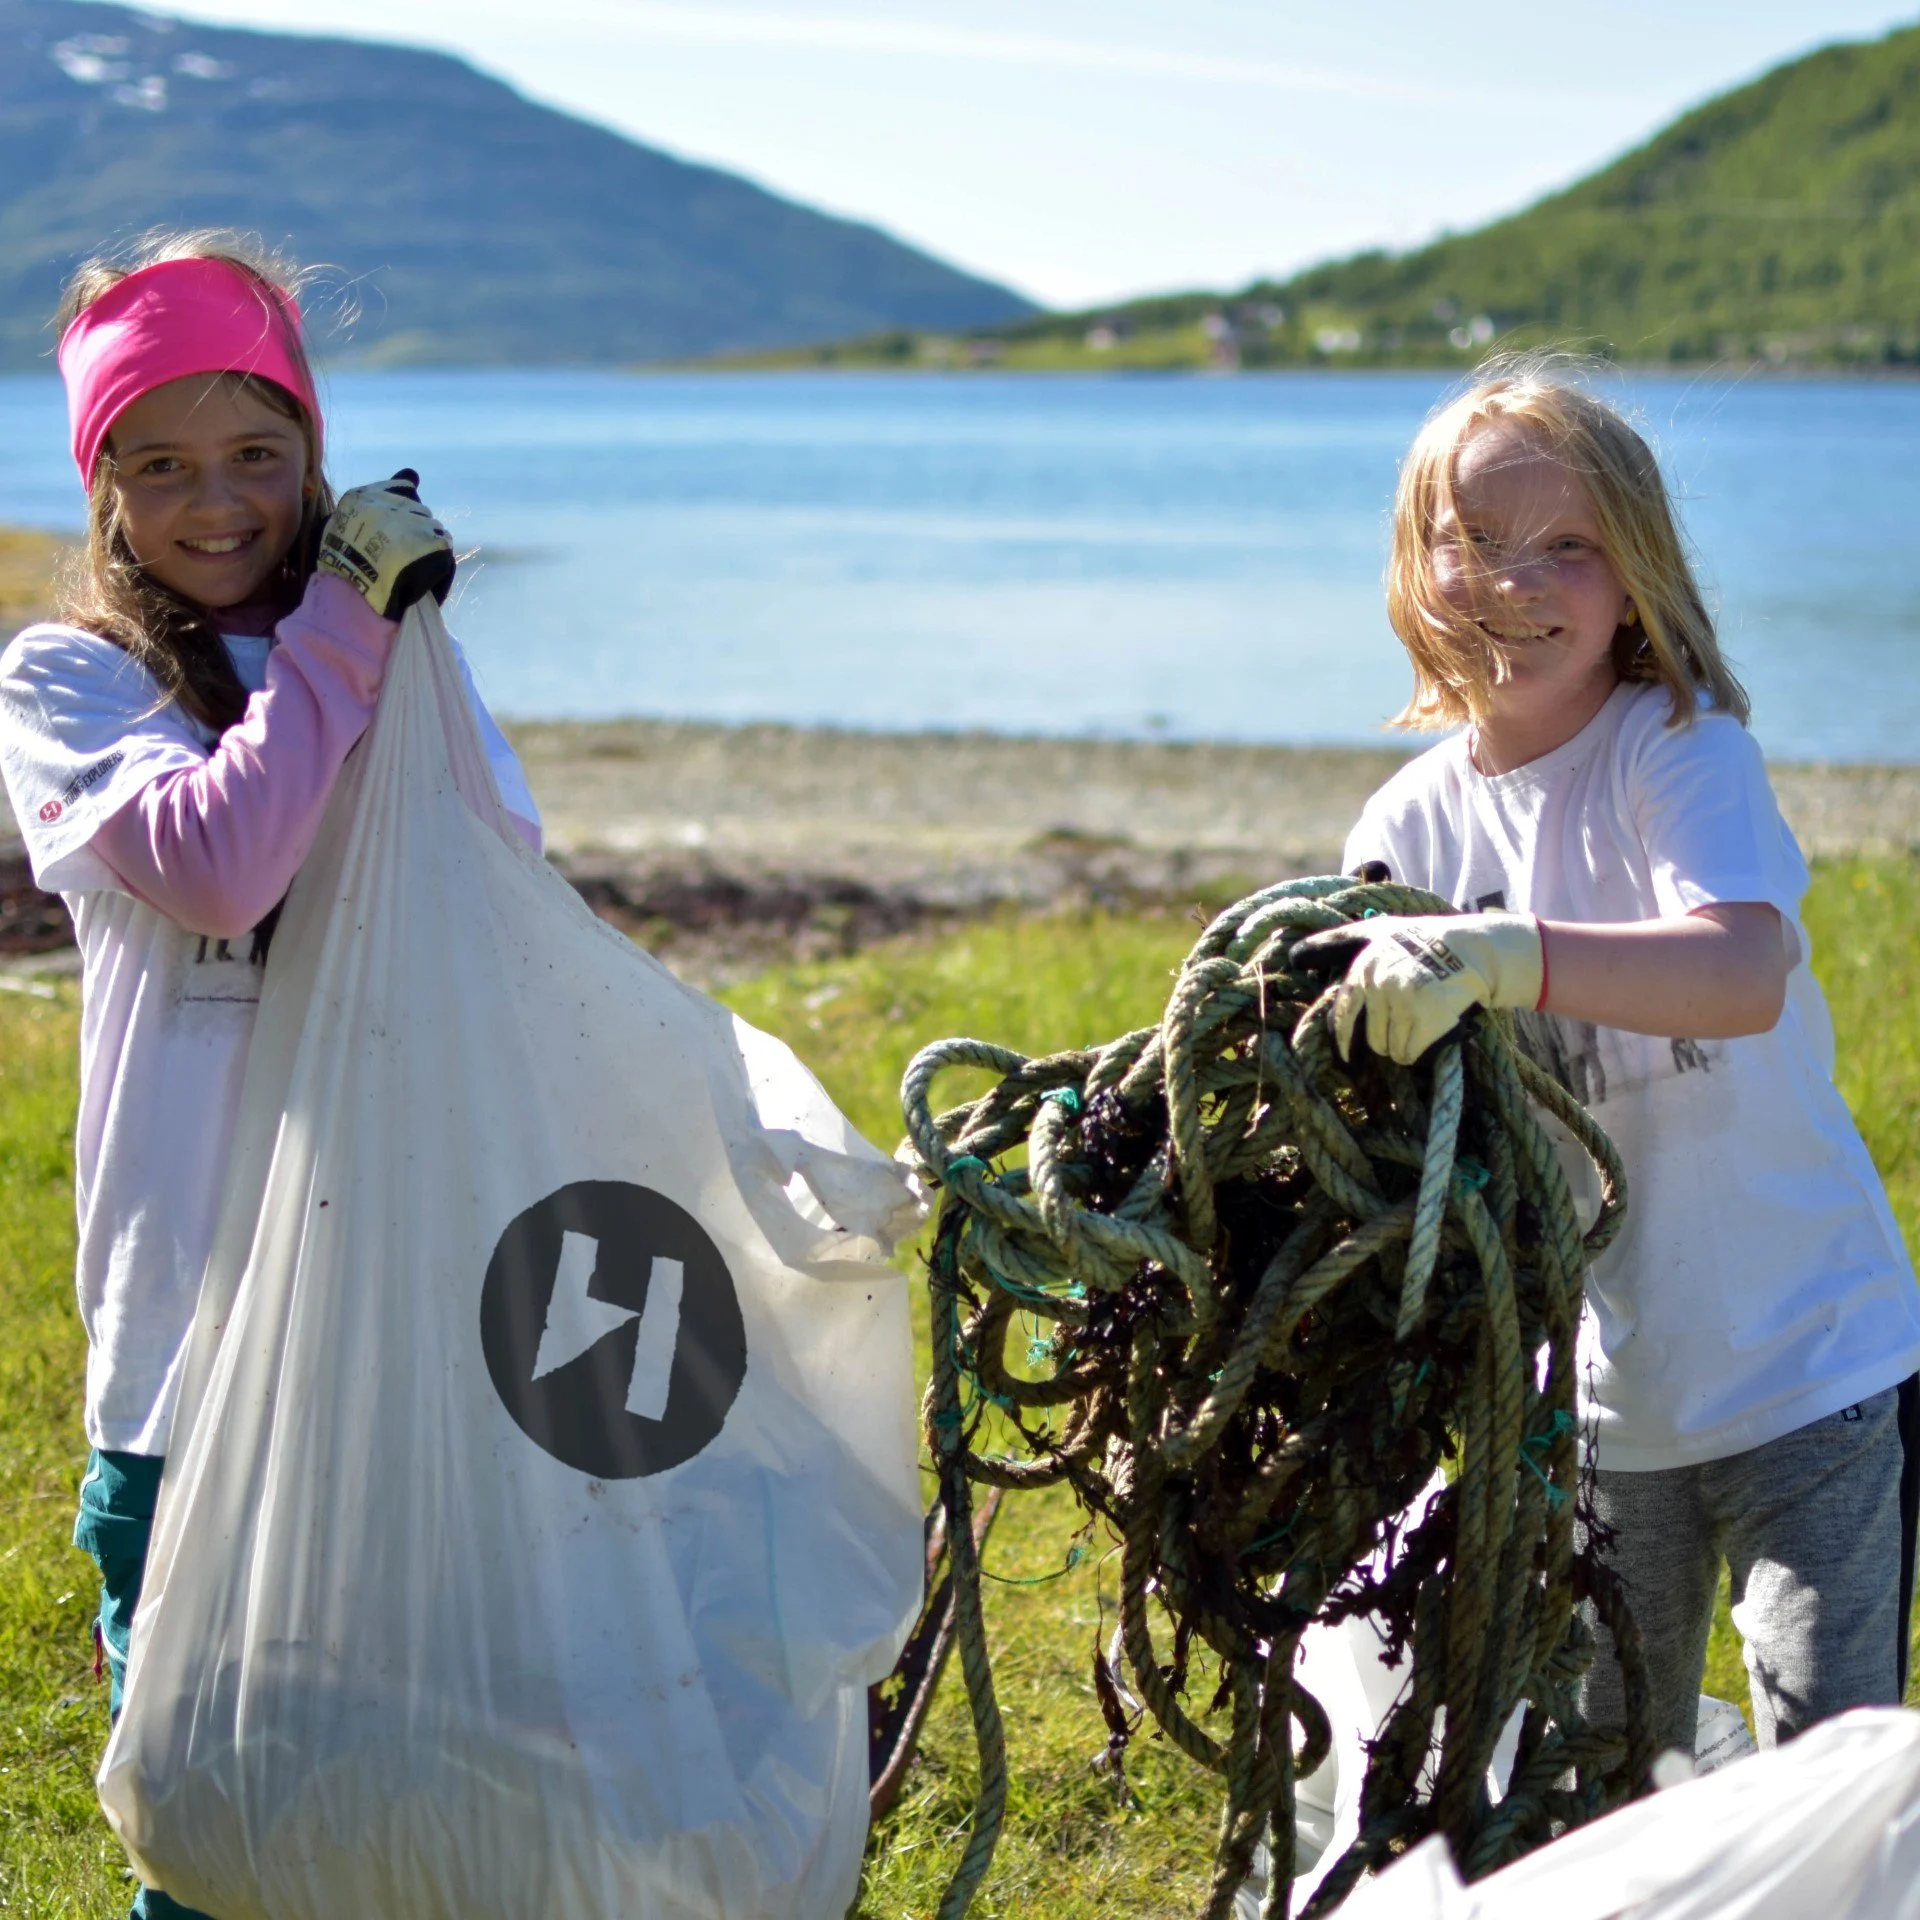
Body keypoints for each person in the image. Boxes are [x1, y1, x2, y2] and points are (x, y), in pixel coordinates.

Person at [0, 231, 540, 1920]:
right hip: (184, 1347)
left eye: (259, 454)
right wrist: (337, 633)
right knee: (213, 1798)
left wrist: (376, 644)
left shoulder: (396, 657)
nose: (215, 500)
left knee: (396, 1787)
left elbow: (497, 892)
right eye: (157, 464)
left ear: (314, 455)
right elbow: (221, 867)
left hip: (390, 1319)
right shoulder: (66, 680)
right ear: (101, 488)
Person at [1305, 358, 1920, 1761]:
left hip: (1809, 1363)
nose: (1515, 579)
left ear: (1637, 576)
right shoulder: (1398, 835)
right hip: (1588, 1412)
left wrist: (1507, 956)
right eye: (1473, 540)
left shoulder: (1678, 753)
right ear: (1414, 570)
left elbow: (1740, 971)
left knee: (1834, 1764)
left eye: (1566, 547)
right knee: (1602, 1775)